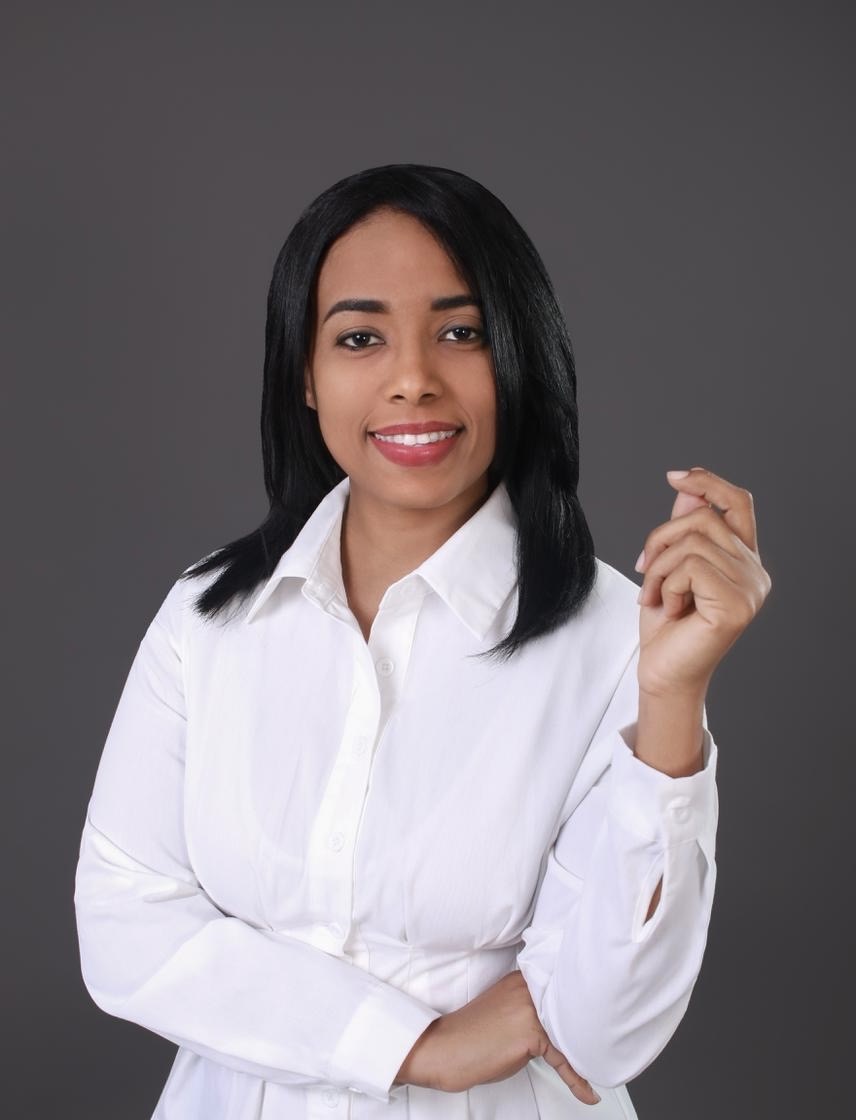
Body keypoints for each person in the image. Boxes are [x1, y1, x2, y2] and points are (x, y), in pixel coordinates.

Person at [73, 163, 771, 1120]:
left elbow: (604, 1033)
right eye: (360, 337)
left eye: (461, 332)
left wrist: (673, 701)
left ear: (519, 355)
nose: (412, 379)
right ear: (304, 376)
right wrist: (416, 1046)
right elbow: (124, 926)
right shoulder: (207, 618)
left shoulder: (621, 637)